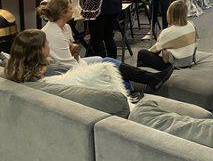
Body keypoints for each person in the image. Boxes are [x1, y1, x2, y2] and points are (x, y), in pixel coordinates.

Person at [4, 29, 173, 93]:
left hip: (78, 74)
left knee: (106, 61)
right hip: (89, 85)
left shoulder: (19, 70)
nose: (49, 44)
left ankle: (150, 79)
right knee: (108, 64)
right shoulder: (52, 72)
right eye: (46, 43)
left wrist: (76, 56)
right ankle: (146, 82)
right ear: (39, 50)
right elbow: (77, 75)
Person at [137, 0, 197, 70]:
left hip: (175, 65)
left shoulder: (168, 32)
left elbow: (153, 51)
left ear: (170, 13)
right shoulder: (191, 25)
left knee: (142, 53)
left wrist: (160, 39)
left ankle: (141, 76)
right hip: (189, 61)